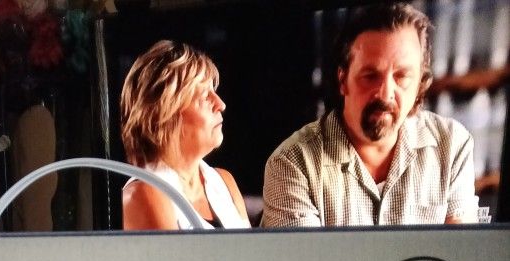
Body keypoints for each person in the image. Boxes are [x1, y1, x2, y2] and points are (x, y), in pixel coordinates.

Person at [262, 3, 476, 227]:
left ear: (420, 84)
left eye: (402, 76)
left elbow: (459, 247)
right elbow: (304, 254)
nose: (385, 93)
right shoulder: (294, 163)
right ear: (343, 80)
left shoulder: (451, 146)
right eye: (370, 76)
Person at [120, 39, 251, 230]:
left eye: (214, 91)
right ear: (166, 112)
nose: (221, 104)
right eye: (204, 96)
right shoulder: (144, 194)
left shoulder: (225, 181)